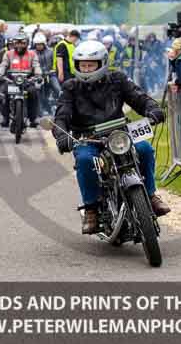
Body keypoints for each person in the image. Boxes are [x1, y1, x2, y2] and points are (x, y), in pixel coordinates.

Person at [52, 40, 169, 234]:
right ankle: (91, 209)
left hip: (119, 135)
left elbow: (138, 97)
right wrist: (61, 135)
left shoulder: (117, 79)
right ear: (77, 65)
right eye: (83, 65)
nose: (87, 69)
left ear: (102, 63)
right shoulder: (70, 87)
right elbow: (62, 115)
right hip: (87, 137)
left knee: (144, 149)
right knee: (85, 160)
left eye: (91, 65)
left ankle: (150, 194)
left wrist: (153, 109)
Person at [0, 33, 42, 129]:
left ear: (27, 43)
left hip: (27, 81)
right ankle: (5, 118)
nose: (19, 45)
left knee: (33, 93)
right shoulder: (8, 53)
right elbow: (3, 64)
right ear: (14, 43)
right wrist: (0, 73)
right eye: (17, 43)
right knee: (4, 93)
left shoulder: (32, 54)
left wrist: (38, 74)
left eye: (22, 43)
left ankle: (33, 119)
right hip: (12, 81)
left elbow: (36, 65)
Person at [32, 33, 53, 115]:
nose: (39, 46)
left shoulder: (50, 52)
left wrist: (53, 70)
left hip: (50, 74)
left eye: (40, 44)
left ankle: (52, 108)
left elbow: (53, 63)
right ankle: (40, 110)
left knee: (56, 89)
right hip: (38, 76)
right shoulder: (32, 53)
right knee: (40, 93)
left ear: (44, 44)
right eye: (37, 44)